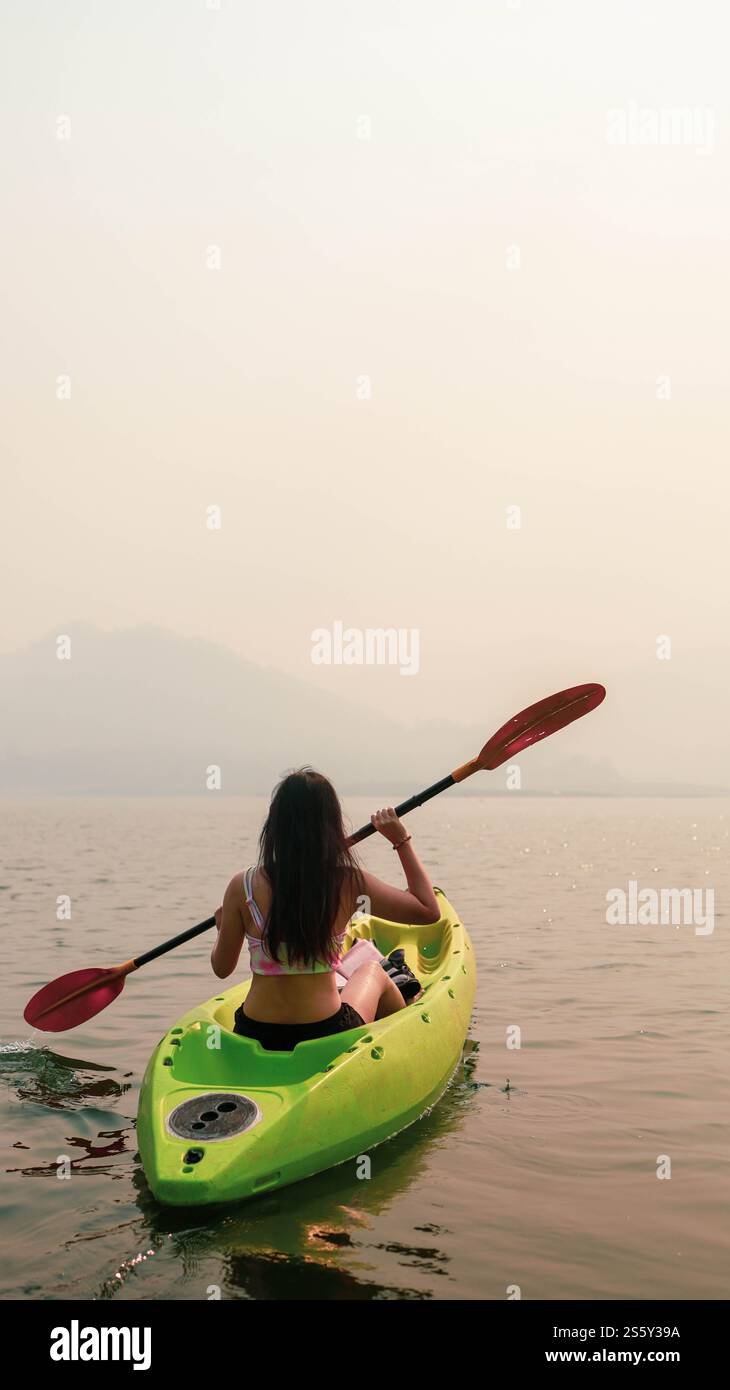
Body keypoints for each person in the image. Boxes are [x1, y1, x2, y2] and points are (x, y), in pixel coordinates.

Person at [212, 767, 440, 1051]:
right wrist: (400, 840)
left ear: (274, 826)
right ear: (331, 826)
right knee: (372, 971)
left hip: (254, 1030)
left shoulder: (241, 886)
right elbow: (428, 910)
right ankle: (405, 1037)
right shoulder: (347, 882)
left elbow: (221, 968)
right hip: (326, 1031)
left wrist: (223, 930)